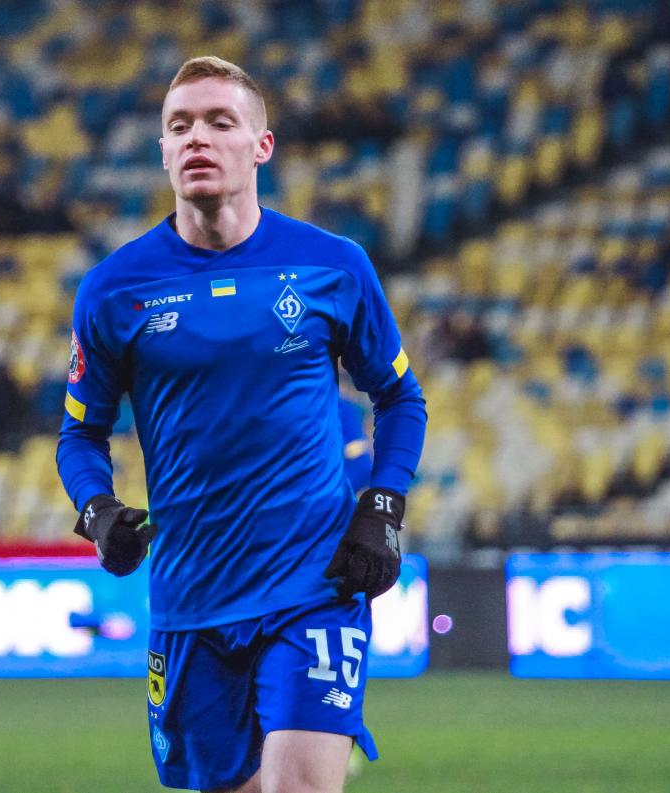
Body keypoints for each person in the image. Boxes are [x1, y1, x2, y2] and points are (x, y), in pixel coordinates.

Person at [56, 57, 427, 793]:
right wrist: (97, 511)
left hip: (313, 584)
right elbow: (80, 434)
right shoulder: (113, 289)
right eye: (179, 126)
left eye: (219, 122)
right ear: (163, 151)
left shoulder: (333, 266)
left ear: (262, 146)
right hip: (191, 597)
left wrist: (382, 506)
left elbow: (400, 397)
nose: (197, 137)